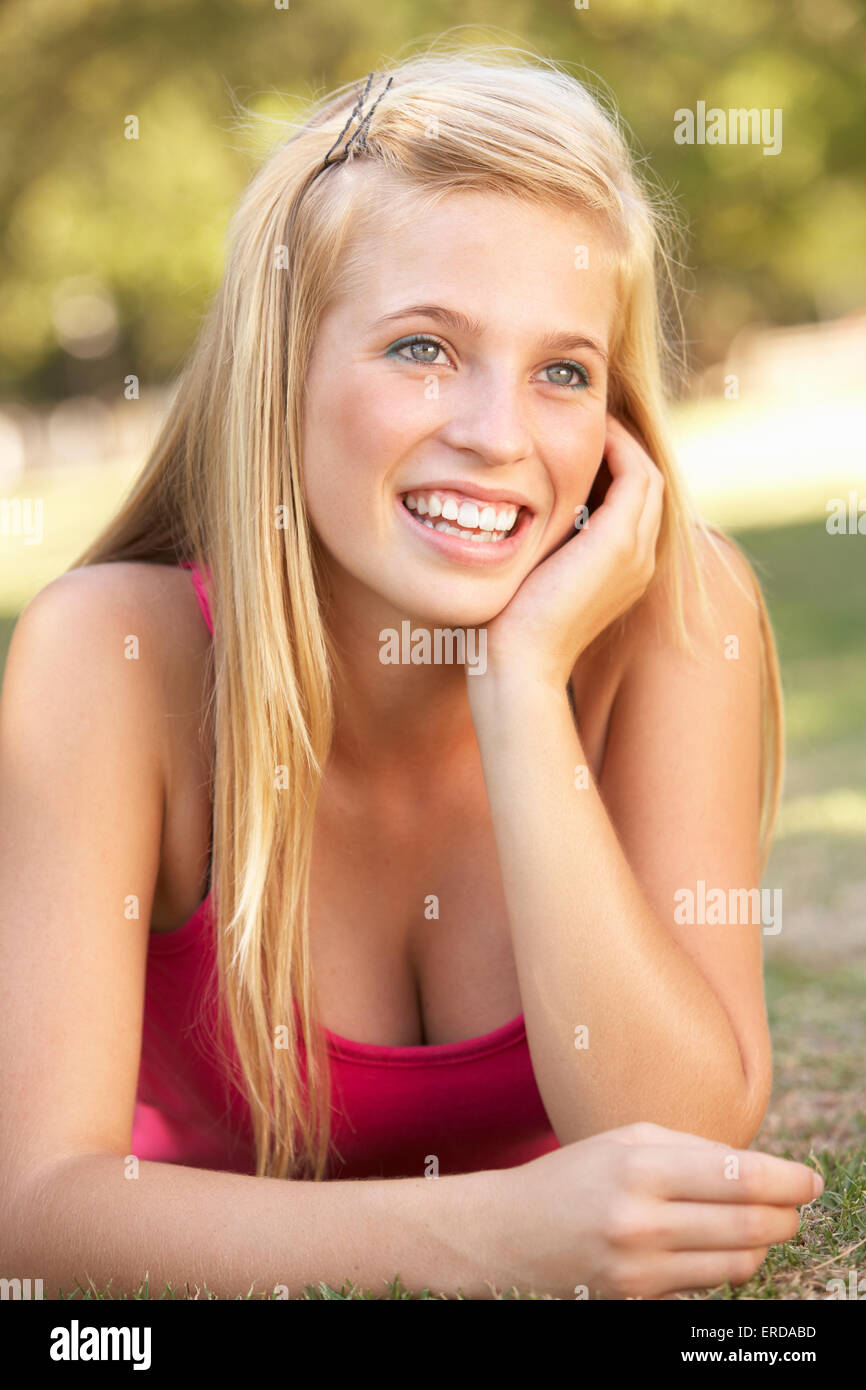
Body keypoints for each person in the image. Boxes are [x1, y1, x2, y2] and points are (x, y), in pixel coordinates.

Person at [0, 40, 821, 1301]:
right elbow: (37, 1203)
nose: (498, 435)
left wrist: (522, 687)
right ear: (280, 372)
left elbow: (680, 1144)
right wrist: (486, 1234)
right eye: (422, 348)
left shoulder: (677, 615)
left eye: (562, 371)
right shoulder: (110, 656)